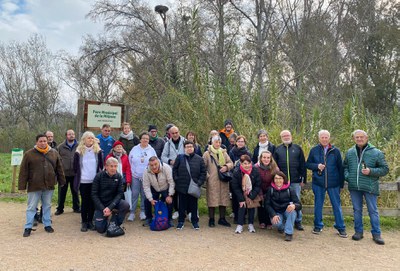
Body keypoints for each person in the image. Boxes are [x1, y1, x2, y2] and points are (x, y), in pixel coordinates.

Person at [344, 129, 389, 245]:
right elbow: (345, 167)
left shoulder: (376, 152)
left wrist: (371, 171)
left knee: (373, 211)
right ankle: (358, 232)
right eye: (357, 137)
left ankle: (376, 234)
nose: (359, 139)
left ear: (366, 138)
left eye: (361, 137)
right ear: (354, 139)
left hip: (370, 187)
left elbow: (385, 169)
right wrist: (348, 177)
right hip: (354, 187)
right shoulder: (349, 152)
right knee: (357, 210)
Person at [19, 134, 66, 237]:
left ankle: (47, 224)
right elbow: (23, 171)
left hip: (49, 184)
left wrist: (62, 181)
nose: (43, 143)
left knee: (47, 205)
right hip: (34, 185)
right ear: (36, 142)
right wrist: (22, 186)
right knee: (31, 206)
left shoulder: (54, 153)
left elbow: (59, 168)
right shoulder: (29, 154)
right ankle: (28, 226)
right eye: (41, 141)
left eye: (45, 141)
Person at [306, 130, 347, 237]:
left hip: (334, 183)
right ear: (319, 138)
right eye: (322, 137)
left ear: (329, 138)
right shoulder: (314, 150)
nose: (324, 139)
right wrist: (316, 166)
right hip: (318, 182)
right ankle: (318, 226)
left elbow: (341, 168)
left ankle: (341, 227)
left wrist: (341, 184)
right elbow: (308, 164)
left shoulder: (335, 151)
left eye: (326, 137)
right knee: (318, 205)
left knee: (336, 206)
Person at [273, 130, 306, 230]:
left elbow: (303, 165)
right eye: (284, 136)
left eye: (288, 135)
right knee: (282, 201)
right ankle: (283, 221)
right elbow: (274, 166)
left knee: (296, 202)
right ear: (281, 137)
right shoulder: (278, 150)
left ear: (291, 136)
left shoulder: (297, 148)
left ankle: (298, 221)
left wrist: (303, 179)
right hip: (282, 182)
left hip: (295, 181)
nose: (286, 137)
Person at [73, 131, 104, 232]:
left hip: (94, 181)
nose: (90, 140)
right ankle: (84, 222)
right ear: (84, 139)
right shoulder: (79, 151)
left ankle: (90, 221)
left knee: (92, 202)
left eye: (92, 138)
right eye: (88, 138)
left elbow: (101, 165)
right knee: (85, 202)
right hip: (83, 181)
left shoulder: (98, 151)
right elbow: (75, 167)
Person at [173, 141, 206, 230]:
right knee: (181, 205)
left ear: (194, 147)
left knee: (194, 205)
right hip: (182, 186)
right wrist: (177, 179)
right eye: (187, 146)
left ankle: (195, 222)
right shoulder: (180, 157)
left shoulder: (199, 159)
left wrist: (199, 183)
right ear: (184, 148)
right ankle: (181, 221)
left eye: (191, 146)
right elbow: (174, 169)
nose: (189, 148)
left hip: (194, 186)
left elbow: (203, 172)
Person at [91, 157, 130, 234]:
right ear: (106, 167)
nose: (113, 168)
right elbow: (94, 194)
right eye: (111, 166)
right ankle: (101, 218)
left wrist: (110, 207)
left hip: (112, 203)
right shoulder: (98, 176)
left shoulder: (119, 177)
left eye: (115, 166)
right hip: (101, 204)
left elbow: (120, 194)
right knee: (100, 229)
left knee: (125, 205)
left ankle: (115, 222)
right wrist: (103, 208)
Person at [203, 136, 234, 227]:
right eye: (216, 142)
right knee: (212, 199)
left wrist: (226, 167)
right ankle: (211, 219)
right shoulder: (207, 153)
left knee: (223, 199)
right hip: (212, 180)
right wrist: (208, 176)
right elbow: (202, 166)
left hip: (223, 179)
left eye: (219, 142)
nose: (218, 144)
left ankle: (222, 218)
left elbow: (231, 163)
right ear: (212, 142)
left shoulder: (223, 152)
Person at [265, 171, 302, 241]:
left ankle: (288, 233)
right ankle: (282, 227)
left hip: (287, 211)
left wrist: (294, 206)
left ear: (283, 179)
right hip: (276, 212)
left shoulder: (290, 189)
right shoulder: (270, 189)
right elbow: (267, 204)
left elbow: (299, 204)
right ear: (273, 180)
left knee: (293, 212)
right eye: (276, 178)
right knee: (277, 224)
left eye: (280, 178)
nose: (278, 180)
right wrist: (273, 214)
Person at [128, 131, 157, 221]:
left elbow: (156, 162)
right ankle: (132, 212)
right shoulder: (134, 149)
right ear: (140, 139)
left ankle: (142, 212)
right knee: (134, 194)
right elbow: (130, 160)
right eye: (143, 138)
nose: (145, 140)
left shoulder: (151, 150)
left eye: (147, 139)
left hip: (147, 176)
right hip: (135, 176)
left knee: (144, 194)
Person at [231, 155, 261, 234]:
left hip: (252, 192)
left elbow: (258, 184)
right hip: (241, 192)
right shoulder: (236, 172)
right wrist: (241, 198)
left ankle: (251, 224)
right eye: (245, 163)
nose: (247, 165)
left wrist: (252, 196)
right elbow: (235, 186)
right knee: (242, 206)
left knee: (251, 207)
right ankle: (240, 224)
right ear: (241, 163)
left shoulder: (255, 170)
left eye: (248, 163)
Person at [161, 125, 186, 219]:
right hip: (172, 170)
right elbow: (163, 157)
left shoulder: (184, 141)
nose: (175, 135)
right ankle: (176, 210)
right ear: (170, 134)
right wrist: (170, 161)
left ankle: (185, 210)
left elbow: (189, 153)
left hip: (183, 170)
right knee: (174, 191)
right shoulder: (167, 144)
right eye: (173, 133)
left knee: (184, 191)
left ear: (179, 132)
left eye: (176, 132)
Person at [143, 156, 175, 227]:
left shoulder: (166, 168)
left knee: (169, 201)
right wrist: (151, 199)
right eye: (151, 165)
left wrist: (170, 195)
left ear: (158, 162)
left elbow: (171, 182)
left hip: (165, 187)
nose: (154, 167)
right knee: (146, 200)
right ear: (149, 165)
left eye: (155, 164)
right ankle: (149, 218)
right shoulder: (146, 171)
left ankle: (169, 218)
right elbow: (146, 186)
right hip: (154, 188)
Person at [55, 129, 80, 215]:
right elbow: (57, 160)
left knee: (75, 191)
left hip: (75, 173)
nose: (71, 135)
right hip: (63, 174)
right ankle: (60, 208)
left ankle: (76, 207)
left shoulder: (80, 146)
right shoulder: (60, 147)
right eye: (69, 134)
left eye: (73, 134)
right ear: (66, 136)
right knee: (62, 192)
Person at [228, 135, 252, 223]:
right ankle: (235, 215)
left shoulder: (248, 152)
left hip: (245, 176)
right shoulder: (232, 152)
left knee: (244, 195)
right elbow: (230, 163)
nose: (240, 143)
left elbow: (250, 165)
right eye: (239, 141)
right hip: (234, 176)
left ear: (244, 143)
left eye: (242, 141)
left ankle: (243, 216)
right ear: (236, 142)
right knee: (235, 196)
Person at [255, 150, 279, 229]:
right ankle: (262, 221)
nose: (266, 159)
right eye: (264, 157)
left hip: (270, 189)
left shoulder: (275, 168)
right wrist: (261, 194)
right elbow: (256, 182)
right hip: (259, 188)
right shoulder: (256, 167)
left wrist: (268, 193)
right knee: (261, 204)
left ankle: (269, 222)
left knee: (269, 204)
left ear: (271, 159)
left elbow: (276, 181)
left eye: (268, 158)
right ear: (261, 158)